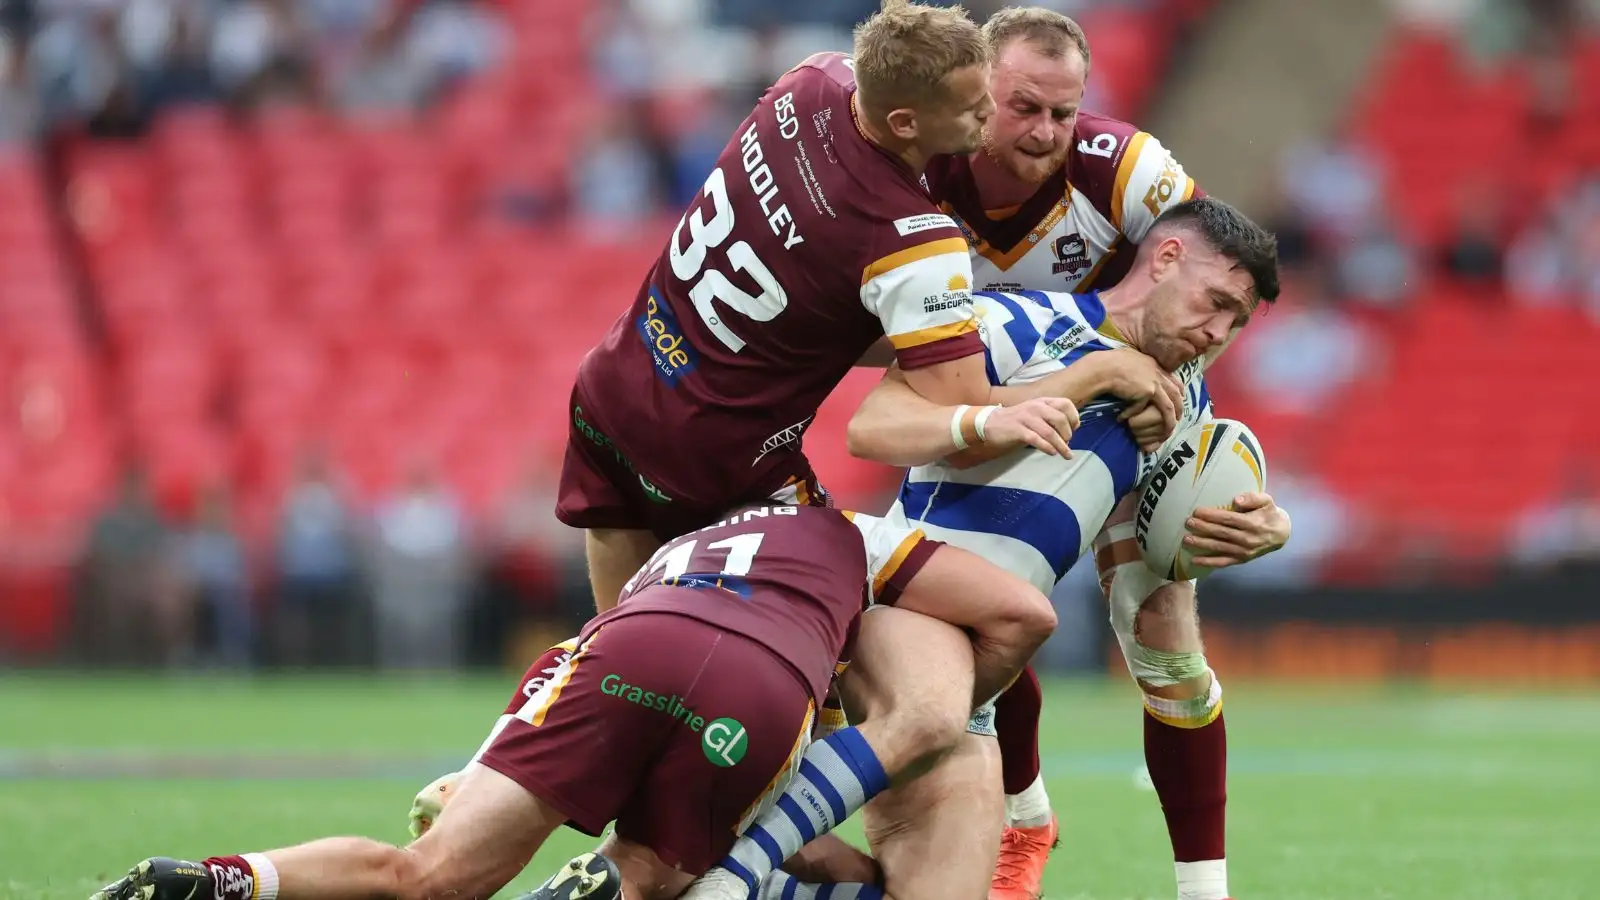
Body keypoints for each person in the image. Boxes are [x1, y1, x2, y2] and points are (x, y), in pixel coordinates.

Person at [687, 198, 1292, 900]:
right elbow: (873, 429)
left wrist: (1261, 529)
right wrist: (1017, 410)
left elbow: (1166, 539)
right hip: (890, 611)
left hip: (975, 689)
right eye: (1214, 302)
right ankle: (723, 878)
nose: (1218, 331)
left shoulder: (1183, 403)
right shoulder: (1019, 320)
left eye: (1236, 322)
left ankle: (716, 882)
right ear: (1164, 260)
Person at [88, 503, 1047, 900]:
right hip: (759, 680)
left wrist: (473, 773)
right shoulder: (848, 535)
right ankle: (603, 883)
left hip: (619, 641)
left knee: (425, 872)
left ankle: (228, 880)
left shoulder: (687, 542)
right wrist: (875, 880)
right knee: (655, 876)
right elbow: (1020, 611)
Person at [555, 0, 1081, 618]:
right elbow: (955, 404)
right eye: (972, 107)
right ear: (906, 122)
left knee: (614, 647)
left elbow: (809, 293)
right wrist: (1087, 360)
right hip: (719, 455)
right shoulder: (914, 237)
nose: (990, 112)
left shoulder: (808, 79)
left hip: (615, 386)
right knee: (868, 620)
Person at [921, 10, 1284, 899]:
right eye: (1023, 107)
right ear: (978, 93)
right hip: (1002, 392)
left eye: (1064, 112)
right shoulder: (911, 171)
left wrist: (1205, 444)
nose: (1046, 132)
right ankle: (1024, 821)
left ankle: (1206, 891)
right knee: (983, 607)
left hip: (1141, 401)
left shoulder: (1132, 174)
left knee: (1161, 634)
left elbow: (1213, 286)